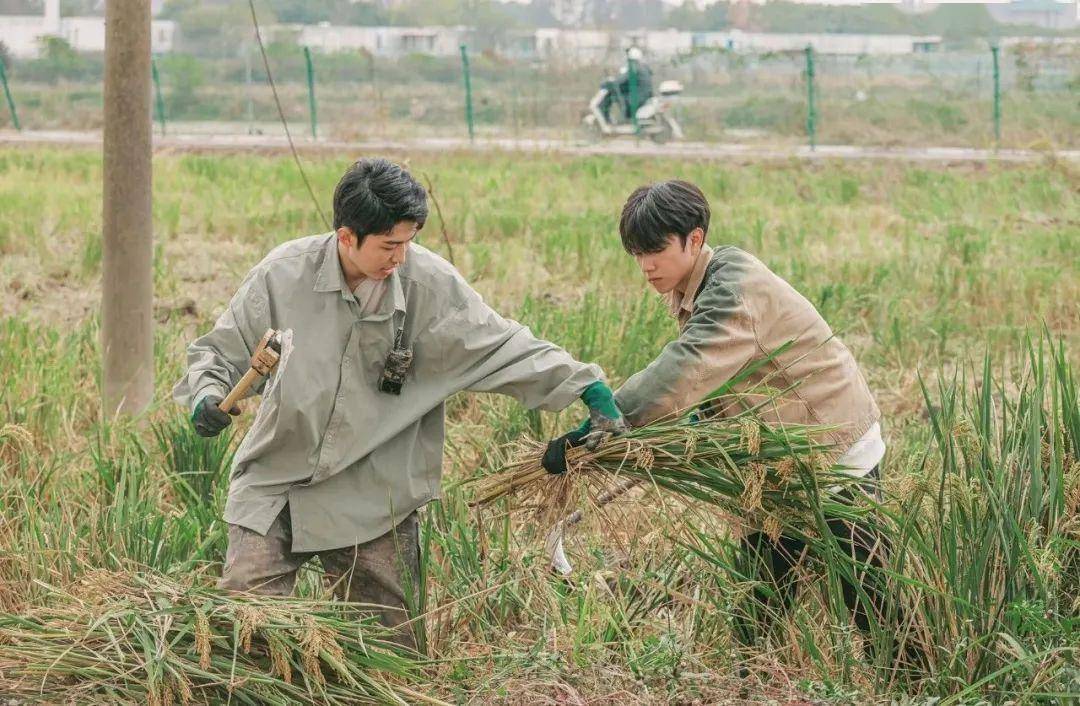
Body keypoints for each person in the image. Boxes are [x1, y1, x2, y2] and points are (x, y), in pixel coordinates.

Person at [174, 158, 625, 649]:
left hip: (375, 489)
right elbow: (220, 351)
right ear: (347, 237)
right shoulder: (282, 277)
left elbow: (502, 345)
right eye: (389, 245)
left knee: (387, 651)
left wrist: (585, 385)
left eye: (408, 242)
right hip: (279, 475)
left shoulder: (429, 285)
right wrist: (207, 394)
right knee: (242, 631)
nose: (401, 257)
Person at [542, 179, 887, 643]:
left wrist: (604, 423)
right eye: (636, 254)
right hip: (780, 457)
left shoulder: (734, 287)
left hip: (830, 447)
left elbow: (686, 368)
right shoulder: (698, 285)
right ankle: (757, 679)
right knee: (761, 595)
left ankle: (913, 682)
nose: (646, 266)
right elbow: (721, 377)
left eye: (656, 250)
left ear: (695, 238)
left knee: (868, 594)